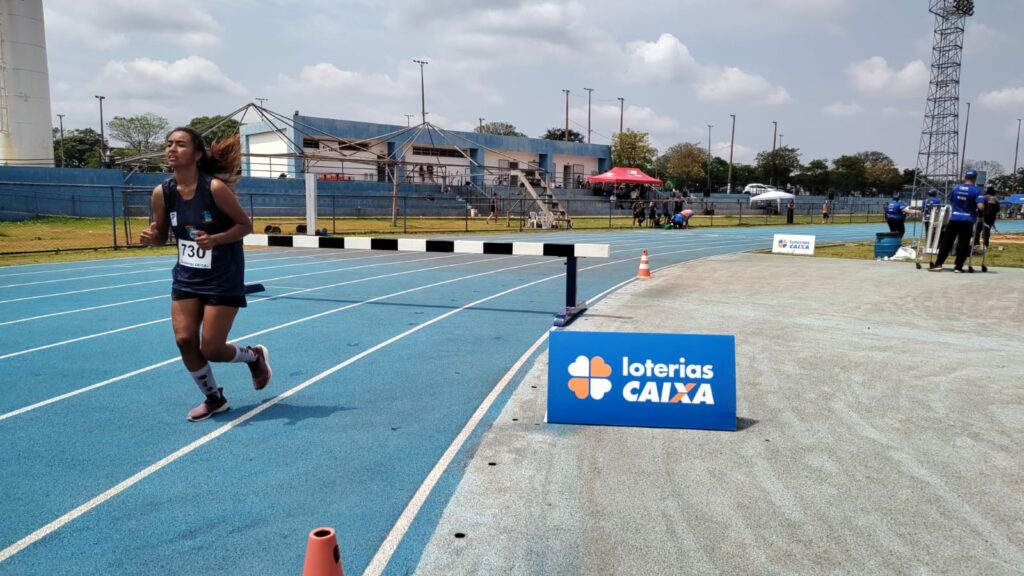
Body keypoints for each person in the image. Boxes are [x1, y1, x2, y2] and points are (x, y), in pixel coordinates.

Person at [139, 128, 271, 421]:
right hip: (187, 276)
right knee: (185, 340)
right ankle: (214, 397)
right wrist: (152, 237)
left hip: (223, 275)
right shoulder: (162, 193)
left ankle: (254, 356)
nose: (173, 149)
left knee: (211, 347)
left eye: (181, 144)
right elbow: (162, 235)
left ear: (197, 154)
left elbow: (244, 226)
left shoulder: (214, 189)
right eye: (169, 144)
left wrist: (215, 239)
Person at [928, 169, 984, 272]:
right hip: (968, 219)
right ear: (974, 179)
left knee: (947, 241)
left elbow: (951, 201)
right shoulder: (977, 191)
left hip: (954, 218)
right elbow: (980, 207)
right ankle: (958, 267)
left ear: (965, 177)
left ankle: (938, 264)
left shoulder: (956, 188)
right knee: (963, 243)